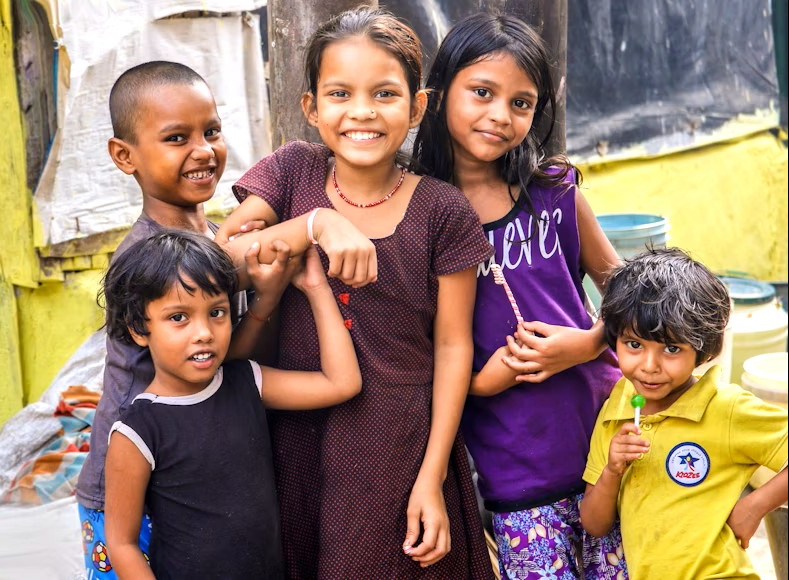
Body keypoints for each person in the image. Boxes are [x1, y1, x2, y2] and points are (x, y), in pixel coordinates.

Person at [214, 6, 494, 578]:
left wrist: (433, 475)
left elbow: (452, 349)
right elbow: (220, 263)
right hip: (295, 441)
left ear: (418, 106)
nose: (361, 112)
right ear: (312, 108)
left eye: (385, 94)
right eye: (340, 93)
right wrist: (314, 224)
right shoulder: (292, 173)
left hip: (398, 448)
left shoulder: (443, 212)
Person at [75, 60, 374, 579]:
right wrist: (321, 220)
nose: (203, 149)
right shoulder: (147, 256)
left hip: (200, 468)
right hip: (131, 479)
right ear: (125, 156)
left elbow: (231, 359)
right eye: (176, 137)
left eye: (211, 131)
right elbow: (237, 258)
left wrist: (267, 296)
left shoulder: (214, 237)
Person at [411, 13, 628, 579]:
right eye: (481, 92)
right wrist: (487, 379)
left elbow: (632, 295)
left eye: (521, 103)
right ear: (438, 94)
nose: (500, 116)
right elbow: (417, 347)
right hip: (516, 470)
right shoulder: (418, 213)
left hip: (605, 447)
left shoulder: (554, 189)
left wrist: (586, 344)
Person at [102, 230, 361, 579]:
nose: (205, 332)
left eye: (217, 312)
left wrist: (317, 289)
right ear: (138, 328)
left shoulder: (246, 382)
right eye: (179, 317)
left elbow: (342, 383)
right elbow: (122, 544)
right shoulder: (137, 432)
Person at [580, 247, 788, 579]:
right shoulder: (617, 409)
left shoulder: (724, 408)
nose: (649, 367)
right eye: (634, 344)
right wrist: (612, 471)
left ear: (702, 350)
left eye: (672, 349)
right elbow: (594, 523)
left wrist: (755, 506)